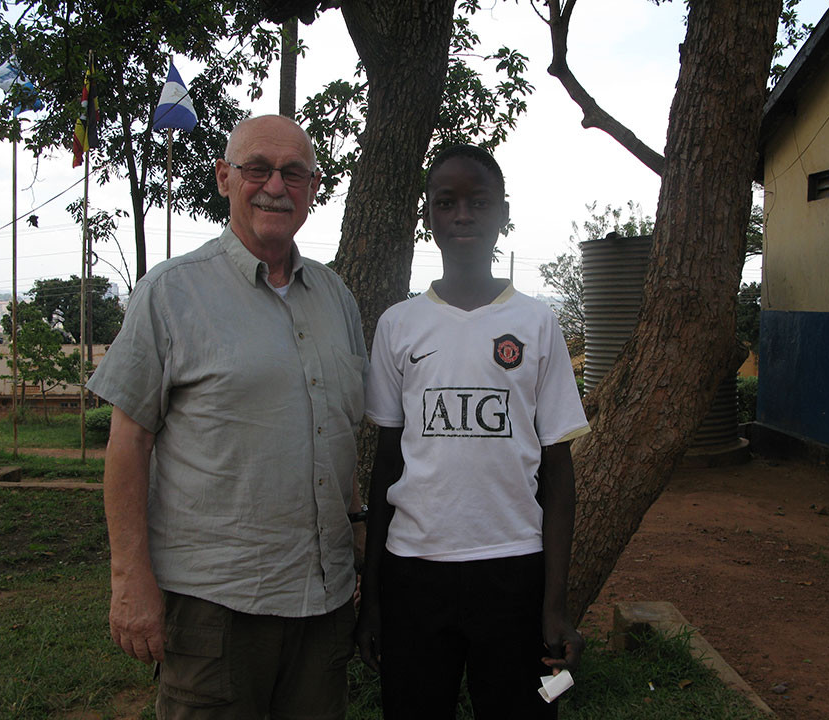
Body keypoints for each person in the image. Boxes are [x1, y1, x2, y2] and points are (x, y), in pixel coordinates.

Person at [87, 114, 368, 720]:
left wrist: (358, 548)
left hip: (323, 603)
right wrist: (129, 580)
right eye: (258, 169)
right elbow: (128, 441)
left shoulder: (337, 299)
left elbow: (337, 435)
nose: (276, 186)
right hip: (216, 606)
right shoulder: (170, 293)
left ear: (313, 188)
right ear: (223, 177)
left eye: (294, 173)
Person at [356, 144, 590, 718]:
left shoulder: (536, 323)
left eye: (479, 202)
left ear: (503, 214)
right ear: (428, 216)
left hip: (513, 570)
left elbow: (559, 475)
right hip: (415, 572)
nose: (463, 214)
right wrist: (374, 601)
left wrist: (554, 605)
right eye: (447, 202)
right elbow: (386, 467)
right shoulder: (399, 324)